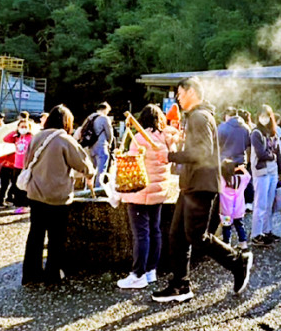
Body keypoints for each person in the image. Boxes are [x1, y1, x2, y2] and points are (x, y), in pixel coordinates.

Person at [152, 77, 253, 303]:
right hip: (192, 184)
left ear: (191, 92)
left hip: (200, 185)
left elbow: (202, 153)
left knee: (197, 237)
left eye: (179, 93)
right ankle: (180, 284)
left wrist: (170, 156)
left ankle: (237, 261)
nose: (177, 98)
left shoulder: (198, 117)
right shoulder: (198, 117)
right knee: (177, 236)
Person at [21, 105, 96, 285]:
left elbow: (25, 162)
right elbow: (84, 165)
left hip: (36, 194)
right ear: (66, 122)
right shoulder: (64, 139)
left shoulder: (37, 136)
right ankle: (52, 275)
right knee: (56, 238)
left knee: (35, 235)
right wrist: (90, 174)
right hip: (58, 197)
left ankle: (31, 275)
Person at [117, 104, 174, 289]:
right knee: (155, 230)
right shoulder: (165, 138)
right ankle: (151, 271)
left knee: (141, 234)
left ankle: (137, 274)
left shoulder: (140, 138)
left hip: (140, 193)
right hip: (158, 192)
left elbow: (132, 164)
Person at [250, 105, 281, 247]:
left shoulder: (273, 133)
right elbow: (261, 153)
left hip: (273, 172)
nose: (263, 118)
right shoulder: (256, 133)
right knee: (260, 204)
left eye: (266, 115)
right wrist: (273, 156)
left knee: (269, 204)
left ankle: (267, 231)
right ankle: (256, 234)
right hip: (261, 172)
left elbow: (278, 153)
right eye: (261, 115)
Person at [219, 160, 251, 250]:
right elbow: (248, 176)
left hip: (226, 210)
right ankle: (243, 242)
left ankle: (227, 244)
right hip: (238, 209)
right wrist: (242, 168)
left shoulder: (222, 180)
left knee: (226, 227)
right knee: (239, 226)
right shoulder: (240, 179)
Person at [82, 102, 114, 188]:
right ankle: (97, 189)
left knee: (92, 170)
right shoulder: (104, 118)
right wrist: (110, 144)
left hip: (91, 147)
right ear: (106, 109)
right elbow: (109, 134)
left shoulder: (90, 117)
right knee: (101, 170)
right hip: (101, 146)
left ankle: (88, 188)